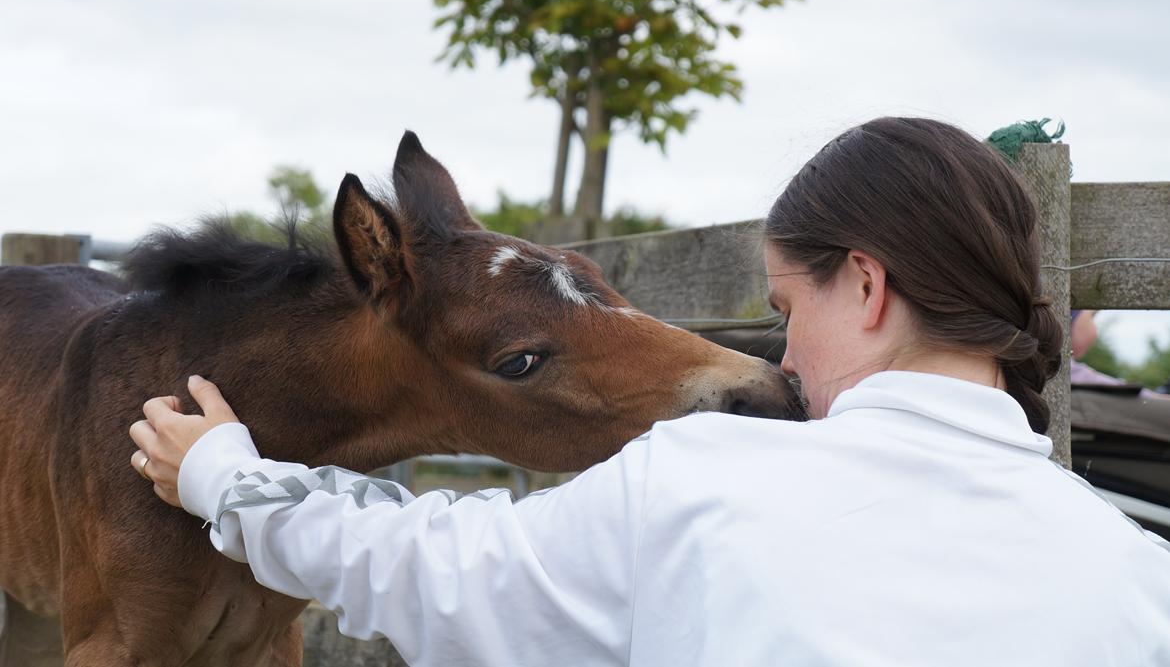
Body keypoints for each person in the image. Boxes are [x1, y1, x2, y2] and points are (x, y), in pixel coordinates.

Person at [130, 117, 1170, 667]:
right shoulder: (1135, 575)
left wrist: (226, 478)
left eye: (785, 307)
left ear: (864, 283)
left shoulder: (704, 487)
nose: (786, 358)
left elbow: (431, 566)